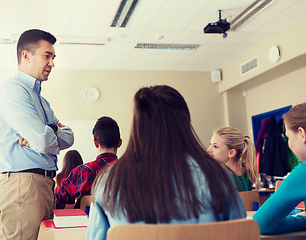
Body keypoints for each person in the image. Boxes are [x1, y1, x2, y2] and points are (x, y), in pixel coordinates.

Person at [86, 85, 246, 240]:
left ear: (137, 127)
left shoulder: (107, 182)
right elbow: (240, 234)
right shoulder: (217, 175)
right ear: (184, 125)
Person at [0, 29, 74, 240]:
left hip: (43, 184)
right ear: (26, 55)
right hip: (23, 185)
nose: (52, 63)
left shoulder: (41, 101)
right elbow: (42, 141)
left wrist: (49, 130)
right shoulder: (13, 91)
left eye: (53, 57)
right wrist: (47, 134)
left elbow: (69, 137)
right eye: (47, 56)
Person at [253, 102, 306, 234]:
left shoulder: (303, 172)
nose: (289, 145)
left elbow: (260, 223)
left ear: (302, 134)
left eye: (288, 138)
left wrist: (302, 220)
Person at [56, 116, 121, 209]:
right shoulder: (132, 173)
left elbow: (57, 202)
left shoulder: (80, 173)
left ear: (95, 142)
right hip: (122, 223)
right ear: (119, 143)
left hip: (86, 223)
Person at [207, 127, 260, 191]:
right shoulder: (247, 173)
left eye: (215, 146)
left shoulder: (221, 178)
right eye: (210, 145)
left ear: (231, 153)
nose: (208, 150)